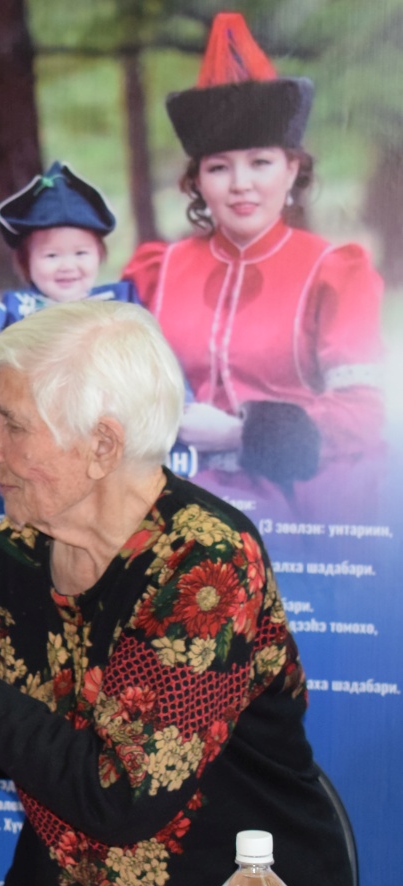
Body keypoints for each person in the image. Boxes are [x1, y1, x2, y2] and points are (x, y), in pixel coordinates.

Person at [0, 300, 354, 886]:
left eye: (12, 425)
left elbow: (120, 795)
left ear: (102, 445)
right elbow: (6, 744)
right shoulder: (10, 557)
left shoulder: (207, 563)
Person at [123, 11, 384, 518]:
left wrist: (244, 435)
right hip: (171, 510)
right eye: (219, 168)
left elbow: (363, 412)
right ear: (197, 180)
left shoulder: (334, 272)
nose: (240, 184)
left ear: (292, 170)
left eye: (261, 162)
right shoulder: (157, 270)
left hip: (299, 509)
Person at [0, 161, 139, 326]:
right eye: (51, 255)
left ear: (99, 254)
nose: (68, 266)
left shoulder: (121, 302)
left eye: (81, 253)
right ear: (25, 260)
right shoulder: (16, 311)